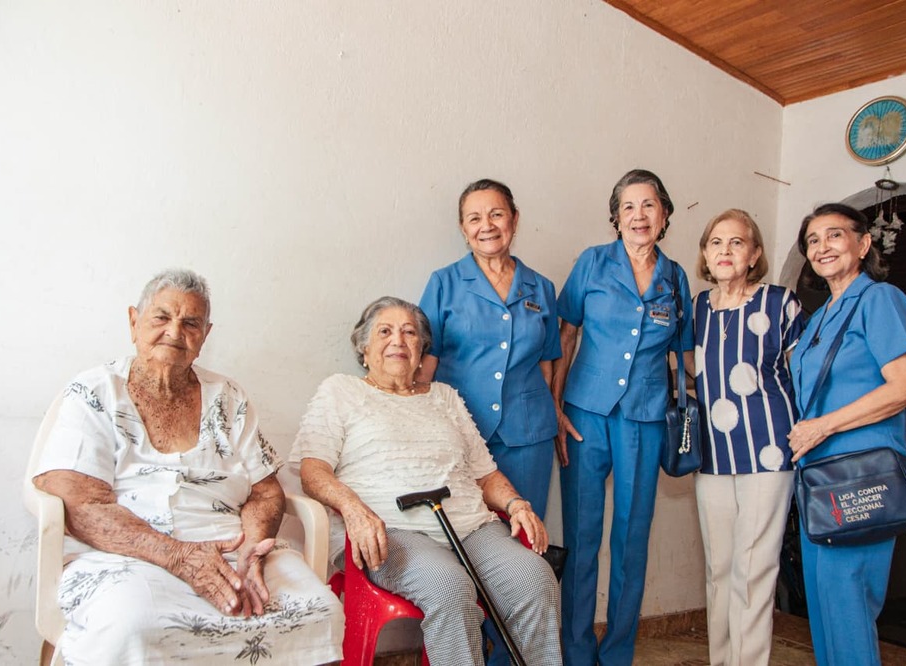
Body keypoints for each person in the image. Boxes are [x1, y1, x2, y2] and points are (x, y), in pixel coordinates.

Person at [32, 269, 343, 665]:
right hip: (126, 555)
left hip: (231, 550)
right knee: (132, 627)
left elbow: (265, 490)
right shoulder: (94, 391)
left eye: (190, 322)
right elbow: (79, 503)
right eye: (161, 317)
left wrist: (252, 548)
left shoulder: (228, 396)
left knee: (320, 610)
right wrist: (177, 556)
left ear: (205, 335)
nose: (175, 332)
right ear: (134, 321)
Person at [291, 296, 562, 666]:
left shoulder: (445, 397)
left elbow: (485, 473)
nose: (398, 340)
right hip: (390, 530)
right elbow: (312, 470)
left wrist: (516, 504)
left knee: (536, 579)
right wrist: (353, 509)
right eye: (385, 331)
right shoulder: (341, 391)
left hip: (470, 526)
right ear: (364, 349)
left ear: (422, 351)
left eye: (409, 333)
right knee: (450, 588)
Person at [552, 169, 694, 665]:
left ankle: (616, 655)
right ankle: (576, 651)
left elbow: (686, 359)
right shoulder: (592, 263)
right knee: (582, 537)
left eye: (649, 205)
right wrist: (555, 407)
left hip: (646, 418)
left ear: (665, 214)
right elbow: (565, 338)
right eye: (629, 207)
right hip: (585, 415)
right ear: (616, 217)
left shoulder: (675, 278)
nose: (639, 215)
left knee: (632, 540)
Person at [788, 203, 906, 666]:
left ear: (863, 244)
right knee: (824, 613)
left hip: (860, 476)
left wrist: (824, 425)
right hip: (818, 480)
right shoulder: (821, 314)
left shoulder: (879, 300)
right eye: (812, 240)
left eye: (834, 235)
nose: (822, 247)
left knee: (847, 613)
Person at [692, 209, 805, 665]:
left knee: (754, 570)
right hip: (712, 456)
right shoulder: (697, 308)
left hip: (769, 451)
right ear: (704, 252)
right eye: (716, 242)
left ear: (754, 253)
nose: (725, 251)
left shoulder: (781, 302)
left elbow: (805, 375)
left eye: (737, 242)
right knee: (719, 570)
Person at [418, 178, 560, 517]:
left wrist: (555, 410)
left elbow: (547, 363)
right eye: (475, 218)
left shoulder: (541, 287)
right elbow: (425, 365)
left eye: (497, 214)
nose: (487, 226)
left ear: (514, 219)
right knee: (465, 538)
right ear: (463, 229)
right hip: (460, 431)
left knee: (526, 533)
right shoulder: (443, 283)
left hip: (527, 434)